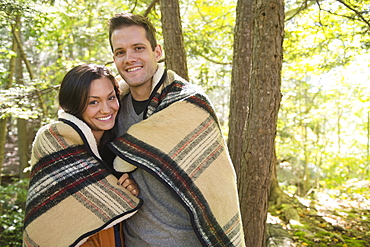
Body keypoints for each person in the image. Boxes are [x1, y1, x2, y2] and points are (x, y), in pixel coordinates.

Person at [108, 13, 246, 246]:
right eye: (120, 52)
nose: (129, 58)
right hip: (133, 240)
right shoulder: (113, 106)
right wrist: (121, 181)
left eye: (138, 48)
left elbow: (218, 182)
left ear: (157, 52)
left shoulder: (189, 103)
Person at [23, 64, 142, 247]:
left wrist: (126, 190)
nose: (106, 109)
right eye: (93, 102)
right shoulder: (53, 140)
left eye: (111, 98)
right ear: (72, 105)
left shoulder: (115, 143)